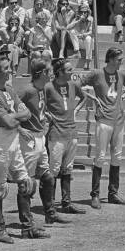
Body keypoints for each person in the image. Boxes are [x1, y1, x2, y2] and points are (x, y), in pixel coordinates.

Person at [0, 55, 48, 242]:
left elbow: (24, 114)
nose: (10, 70)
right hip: (0, 141)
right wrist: (18, 115)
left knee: (26, 183)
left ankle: (27, 227)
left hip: (13, 140)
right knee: (0, 188)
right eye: (5, 67)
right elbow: (9, 121)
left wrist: (16, 115)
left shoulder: (9, 90)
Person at [18, 60, 69, 225]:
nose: (51, 74)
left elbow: (37, 108)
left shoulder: (42, 90)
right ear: (40, 73)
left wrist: (45, 113)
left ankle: (50, 213)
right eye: (48, 71)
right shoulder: (27, 90)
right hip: (30, 138)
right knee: (28, 180)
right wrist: (19, 128)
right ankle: (27, 220)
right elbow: (10, 109)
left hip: (40, 135)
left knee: (47, 177)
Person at [81, 47, 125, 208]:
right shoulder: (97, 73)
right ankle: (95, 194)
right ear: (110, 59)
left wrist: (122, 97)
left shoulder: (121, 74)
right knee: (100, 157)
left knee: (117, 156)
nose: (121, 62)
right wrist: (93, 99)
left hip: (119, 120)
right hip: (104, 120)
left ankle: (113, 193)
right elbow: (77, 85)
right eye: (119, 59)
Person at [45, 59, 87, 214]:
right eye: (69, 70)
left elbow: (84, 98)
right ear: (60, 71)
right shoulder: (48, 86)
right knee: (54, 169)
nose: (72, 72)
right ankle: (49, 204)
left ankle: (66, 203)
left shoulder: (73, 85)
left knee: (68, 168)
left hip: (71, 132)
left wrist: (75, 111)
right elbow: (40, 104)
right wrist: (46, 114)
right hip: (56, 133)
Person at [69, 3, 94, 70]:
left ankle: (88, 62)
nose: (83, 13)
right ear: (79, 12)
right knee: (72, 31)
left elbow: (92, 32)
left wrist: (84, 34)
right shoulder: (77, 18)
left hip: (87, 41)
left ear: (88, 12)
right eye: (81, 12)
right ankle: (77, 52)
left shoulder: (91, 19)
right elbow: (68, 27)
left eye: (85, 12)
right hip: (79, 42)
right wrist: (78, 20)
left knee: (88, 38)